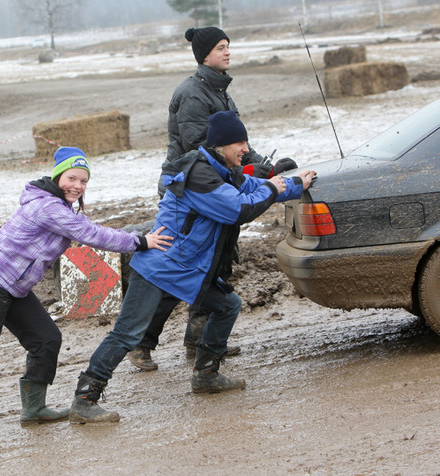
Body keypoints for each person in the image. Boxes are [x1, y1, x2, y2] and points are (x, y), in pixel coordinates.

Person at [70, 111, 316, 423]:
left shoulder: (223, 170)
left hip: (188, 267)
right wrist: (274, 189)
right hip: (161, 264)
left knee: (228, 305)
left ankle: (206, 374)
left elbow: (252, 185)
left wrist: (295, 183)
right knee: (127, 334)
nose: (245, 148)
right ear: (222, 145)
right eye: (240, 142)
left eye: (246, 141)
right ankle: (85, 398)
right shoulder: (200, 175)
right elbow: (236, 209)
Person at [0, 146, 173, 448]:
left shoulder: (60, 207)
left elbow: (87, 230)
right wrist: (140, 242)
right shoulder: (47, 207)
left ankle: (34, 409)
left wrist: (134, 238)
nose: (77, 186)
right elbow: (91, 234)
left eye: (83, 181)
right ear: (57, 176)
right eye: (72, 178)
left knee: (46, 339)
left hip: (14, 287)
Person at [129, 26, 299, 370]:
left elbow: (235, 142)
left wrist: (265, 167)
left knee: (213, 266)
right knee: (178, 268)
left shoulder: (219, 90)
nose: (228, 52)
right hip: (190, 187)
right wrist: (252, 177)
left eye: (228, 47)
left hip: (216, 182)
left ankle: (200, 341)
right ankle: (141, 343)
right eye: (221, 47)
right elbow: (202, 151)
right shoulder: (192, 94)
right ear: (204, 55)